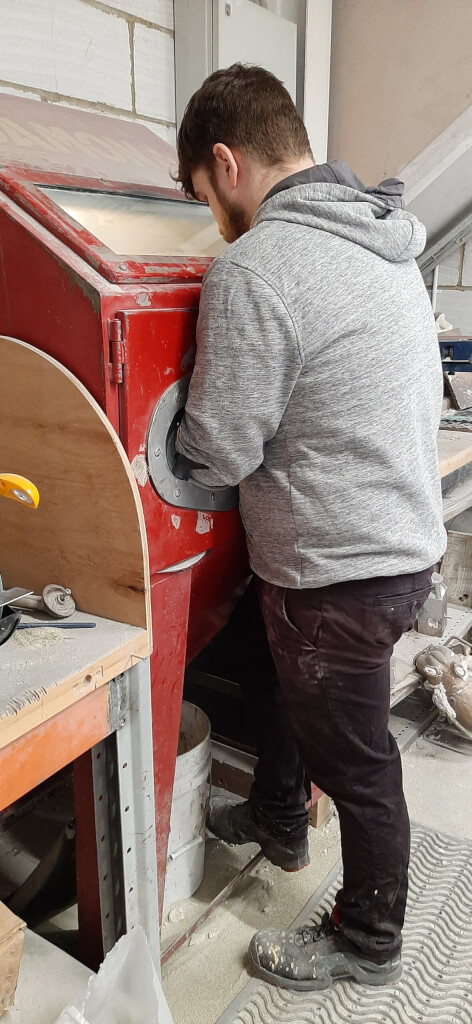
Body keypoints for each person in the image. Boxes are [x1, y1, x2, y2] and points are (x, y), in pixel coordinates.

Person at [174, 63, 446, 991]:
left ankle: (368, 938)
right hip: (397, 542)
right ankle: (279, 819)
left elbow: (220, 447)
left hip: (339, 565)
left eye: (207, 197)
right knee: (287, 679)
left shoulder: (259, 265)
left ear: (226, 160)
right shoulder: (380, 236)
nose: (216, 219)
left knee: (356, 758)